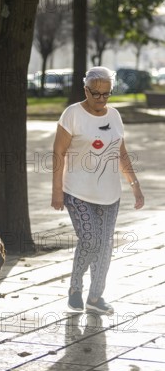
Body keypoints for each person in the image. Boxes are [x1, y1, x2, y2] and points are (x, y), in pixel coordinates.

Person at [51, 66, 144, 315]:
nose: (101, 100)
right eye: (96, 94)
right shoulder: (72, 114)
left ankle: (95, 297)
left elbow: (121, 153)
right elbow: (58, 152)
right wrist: (57, 190)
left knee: (104, 247)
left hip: (110, 195)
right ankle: (75, 289)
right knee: (91, 241)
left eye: (106, 94)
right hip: (77, 192)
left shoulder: (114, 116)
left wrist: (135, 185)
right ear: (86, 90)